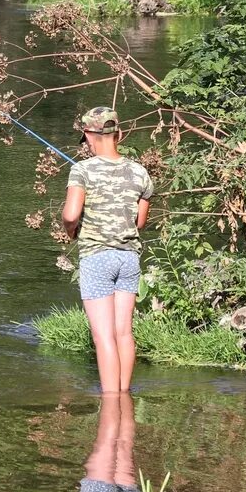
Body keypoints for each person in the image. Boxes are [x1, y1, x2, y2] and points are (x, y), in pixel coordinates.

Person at [62, 107, 154, 393]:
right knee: (124, 333)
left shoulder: (81, 170)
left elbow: (70, 214)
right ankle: (124, 395)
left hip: (97, 257)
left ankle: (112, 400)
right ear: (119, 134)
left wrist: (71, 232)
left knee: (103, 337)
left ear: (89, 136)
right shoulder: (140, 172)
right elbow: (140, 222)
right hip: (128, 258)